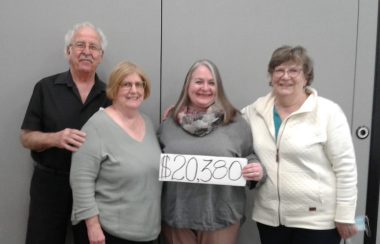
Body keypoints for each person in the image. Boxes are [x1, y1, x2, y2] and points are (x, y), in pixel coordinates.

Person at [241, 45, 358, 244]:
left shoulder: (328, 112)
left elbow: (345, 168)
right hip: (270, 219)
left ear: (306, 77)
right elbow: (224, 122)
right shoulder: (255, 111)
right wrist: (183, 110)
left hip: (316, 222)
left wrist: (345, 215)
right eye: (279, 70)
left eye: (294, 70)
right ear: (271, 76)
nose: (285, 76)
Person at [20, 22, 110, 244]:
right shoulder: (45, 87)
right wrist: (55, 138)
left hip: (95, 189)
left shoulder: (111, 95)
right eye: (80, 45)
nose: (87, 51)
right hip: (50, 185)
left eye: (93, 46)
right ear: (68, 50)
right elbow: (26, 137)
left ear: (101, 55)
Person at [158, 59, 264, 244]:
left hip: (220, 217)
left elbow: (250, 156)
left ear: (218, 88)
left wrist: (256, 170)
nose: (204, 88)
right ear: (187, 86)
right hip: (177, 217)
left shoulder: (236, 123)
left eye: (211, 82)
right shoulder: (169, 124)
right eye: (198, 81)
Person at [70, 61, 162, 244]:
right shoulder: (96, 126)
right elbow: (80, 181)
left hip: (148, 233)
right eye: (126, 84)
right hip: (107, 234)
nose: (134, 90)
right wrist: (93, 227)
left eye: (139, 84)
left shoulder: (148, 123)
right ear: (114, 88)